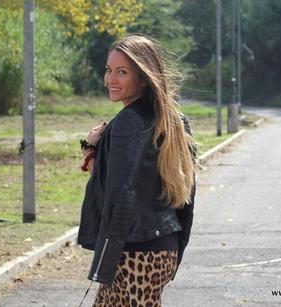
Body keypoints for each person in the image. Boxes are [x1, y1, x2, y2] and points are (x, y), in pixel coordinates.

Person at [77, 34, 197, 307]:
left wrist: (104, 262)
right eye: (109, 70)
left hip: (134, 255)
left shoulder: (127, 123)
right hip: (161, 248)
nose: (111, 79)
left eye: (122, 72)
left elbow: (119, 194)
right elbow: (182, 193)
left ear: (143, 78)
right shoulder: (174, 120)